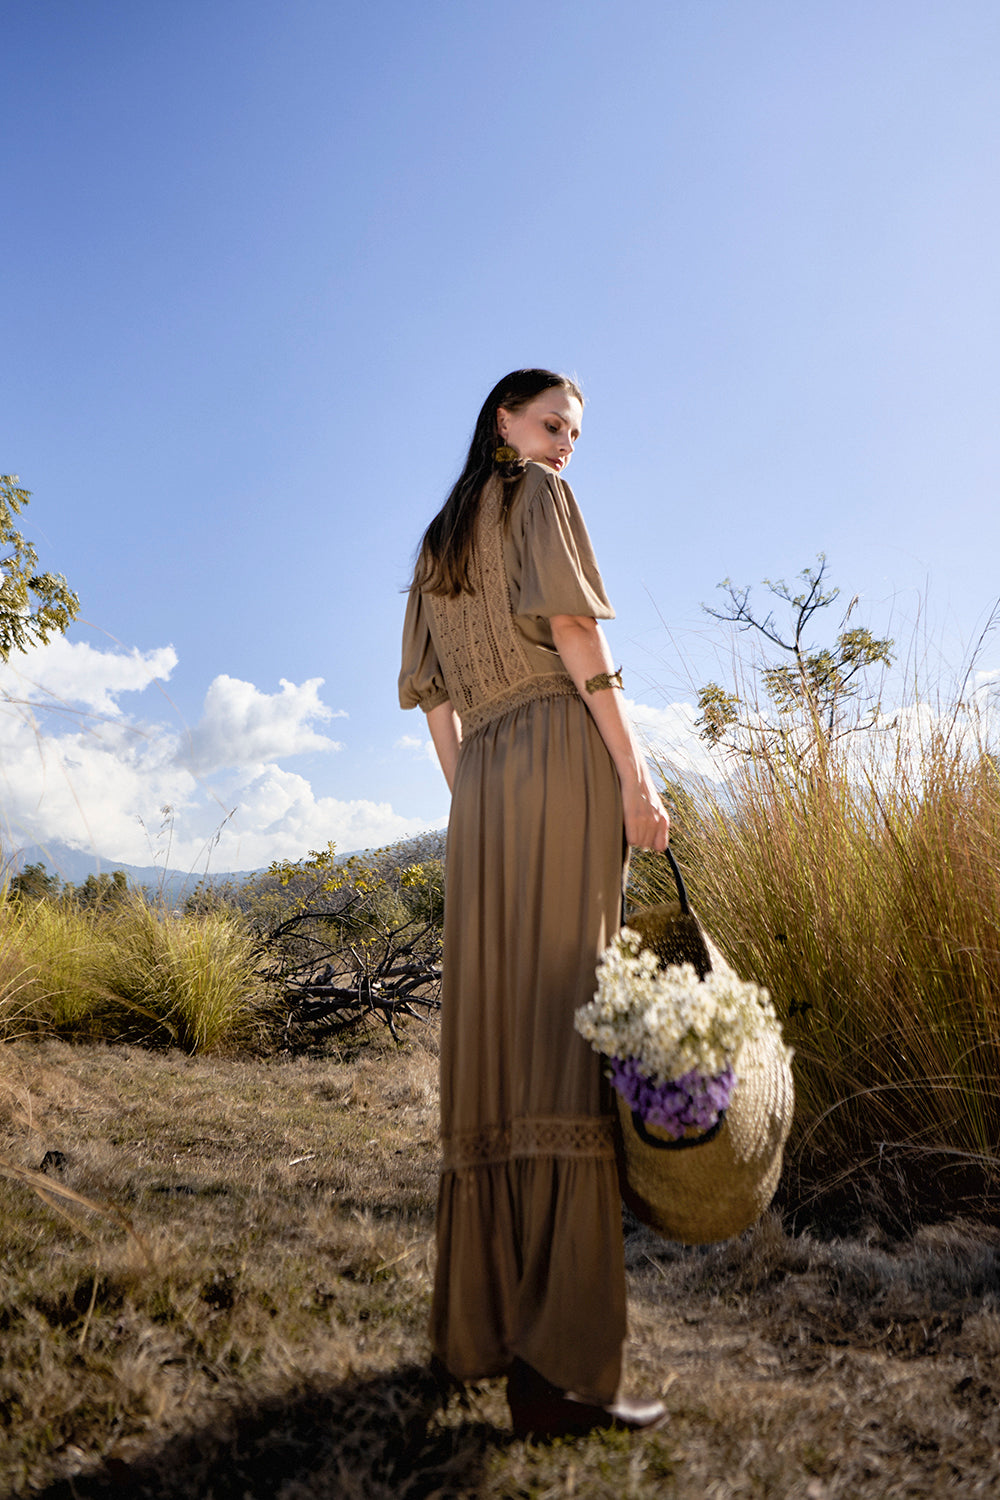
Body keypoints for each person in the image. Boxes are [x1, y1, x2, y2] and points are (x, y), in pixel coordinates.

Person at [398, 369, 670, 1437]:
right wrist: (634, 779)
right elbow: (578, 637)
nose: (567, 446)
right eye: (553, 424)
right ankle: (559, 1375)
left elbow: (432, 704)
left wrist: (476, 804)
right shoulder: (536, 497)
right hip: (559, 757)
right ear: (502, 423)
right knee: (565, 1037)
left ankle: (483, 1332)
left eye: (574, 433)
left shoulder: (435, 540)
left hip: (484, 792)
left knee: (496, 1047)